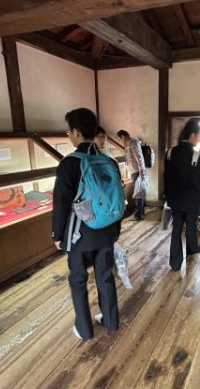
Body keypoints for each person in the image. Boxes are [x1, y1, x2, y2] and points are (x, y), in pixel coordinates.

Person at [52, 108, 122, 341]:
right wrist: (115, 231)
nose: (70, 135)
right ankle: (111, 320)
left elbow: (61, 203)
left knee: (78, 279)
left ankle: (84, 329)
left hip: (79, 234)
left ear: (76, 132)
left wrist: (57, 234)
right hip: (107, 230)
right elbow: (115, 196)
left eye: (69, 131)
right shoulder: (109, 161)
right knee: (105, 276)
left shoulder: (69, 164)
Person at [164, 119, 200, 271]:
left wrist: (167, 196)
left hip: (174, 198)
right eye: (199, 136)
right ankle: (192, 248)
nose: (199, 139)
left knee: (176, 228)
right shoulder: (196, 156)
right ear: (193, 135)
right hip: (191, 199)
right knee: (191, 224)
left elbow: (166, 177)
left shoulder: (170, 152)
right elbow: (198, 183)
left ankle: (175, 262)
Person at [117, 129, 147, 221]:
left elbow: (139, 157)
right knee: (140, 193)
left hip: (137, 172)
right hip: (135, 171)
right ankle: (140, 214)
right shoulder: (129, 144)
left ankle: (138, 215)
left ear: (123, 137)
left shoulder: (133, 143)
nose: (121, 141)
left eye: (120, 139)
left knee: (138, 194)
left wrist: (141, 171)